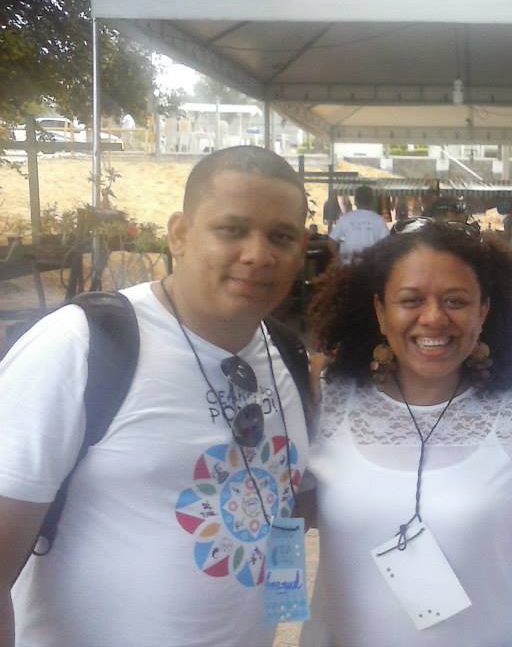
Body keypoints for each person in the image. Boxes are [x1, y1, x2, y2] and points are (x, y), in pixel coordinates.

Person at [0, 146, 313, 647]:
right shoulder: (83, 345)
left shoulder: (287, 356)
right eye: (232, 229)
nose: (258, 255)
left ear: (302, 249)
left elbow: (282, 508)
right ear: (180, 234)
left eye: (281, 236)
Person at [300, 218, 512, 647]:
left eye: (455, 301)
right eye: (410, 300)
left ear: (483, 311)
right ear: (381, 312)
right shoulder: (327, 399)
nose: (433, 318)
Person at [329, 184, 388, 263]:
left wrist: (337, 257)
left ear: (355, 201)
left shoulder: (345, 218)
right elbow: (387, 243)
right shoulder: (378, 220)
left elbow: (331, 241)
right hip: (370, 264)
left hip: (348, 265)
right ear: (372, 201)